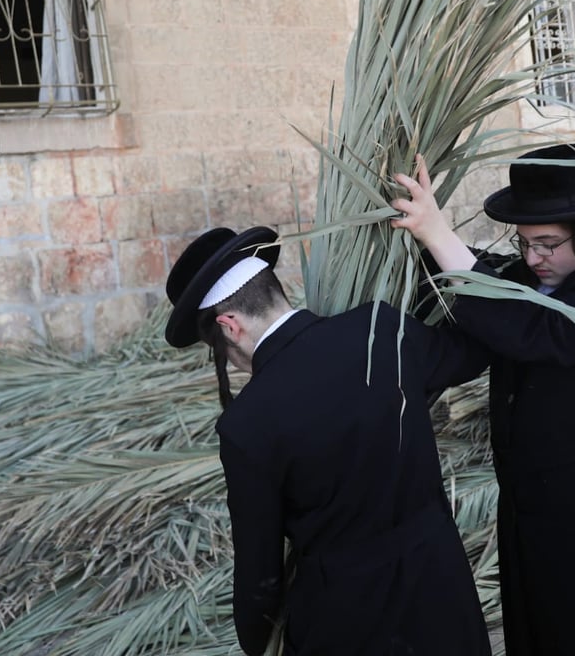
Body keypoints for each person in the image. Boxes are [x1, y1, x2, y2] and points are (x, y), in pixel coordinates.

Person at [391, 144, 575, 656]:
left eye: (548, 243)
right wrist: (422, 235)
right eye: (525, 244)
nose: (535, 257)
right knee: (543, 629)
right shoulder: (526, 279)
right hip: (532, 502)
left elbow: (534, 333)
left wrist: (438, 232)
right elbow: (476, 286)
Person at [163, 225, 491, 656]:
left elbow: (259, 571)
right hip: (442, 594)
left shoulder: (246, 425)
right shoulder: (381, 328)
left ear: (229, 326)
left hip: (346, 624)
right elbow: (472, 350)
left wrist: (257, 640)